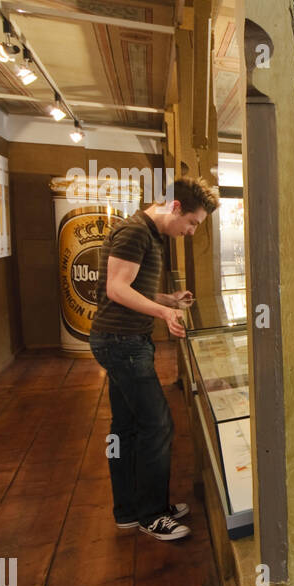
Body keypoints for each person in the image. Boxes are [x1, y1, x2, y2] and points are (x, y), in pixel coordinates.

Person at [89, 177, 219, 541]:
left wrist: (166, 300)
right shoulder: (136, 232)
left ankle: (129, 509)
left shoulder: (143, 231)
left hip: (122, 340)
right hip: (122, 342)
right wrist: (163, 315)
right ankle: (152, 514)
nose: (191, 232)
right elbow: (115, 290)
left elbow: (127, 287)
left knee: (127, 428)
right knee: (157, 425)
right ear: (175, 206)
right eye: (192, 222)